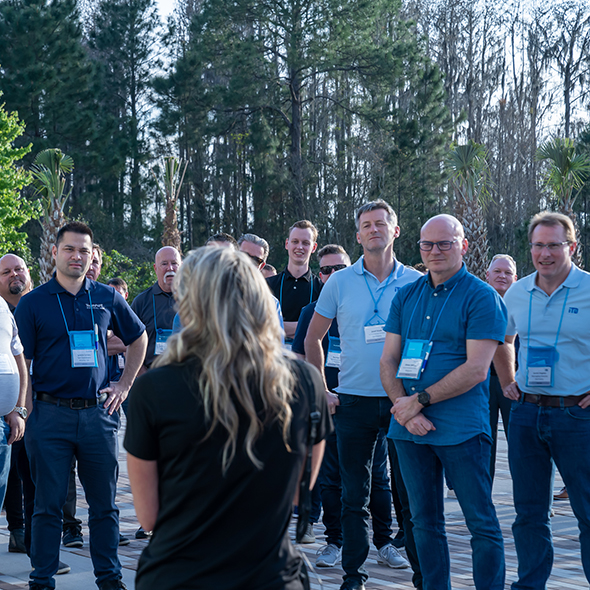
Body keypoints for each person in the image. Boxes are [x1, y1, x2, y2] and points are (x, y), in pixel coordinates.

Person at [124, 246, 331, 590]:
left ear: (189, 302)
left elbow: (149, 517)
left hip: (179, 576)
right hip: (270, 576)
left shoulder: (154, 388)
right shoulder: (306, 381)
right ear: (258, 298)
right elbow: (300, 493)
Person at [15, 221, 147, 590]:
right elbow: (20, 361)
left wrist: (124, 384)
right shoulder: (33, 302)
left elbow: (139, 338)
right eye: (70, 249)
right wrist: (27, 414)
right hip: (49, 416)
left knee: (104, 507)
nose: (77, 256)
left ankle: (110, 579)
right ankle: (42, 580)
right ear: (54, 253)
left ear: (92, 256)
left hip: (97, 415)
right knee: (47, 507)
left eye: (84, 251)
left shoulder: (106, 296)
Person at [380, 214, 507, 590]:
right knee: (423, 522)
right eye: (427, 245)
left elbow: (477, 369)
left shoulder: (482, 296)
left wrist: (418, 401)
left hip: (461, 430)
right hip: (407, 430)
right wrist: (403, 409)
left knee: (480, 522)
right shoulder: (406, 296)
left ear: (463, 245)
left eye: (445, 243)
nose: (435, 251)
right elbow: (387, 360)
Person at [305, 201, 419, 590]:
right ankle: (354, 576)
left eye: (381, 223)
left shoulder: (414, 282)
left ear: (396, 229)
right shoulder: (339, 282)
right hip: (352, 401)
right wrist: (322, 387)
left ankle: (421, 575)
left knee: (410, 493)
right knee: (355, 495)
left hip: (403, 402)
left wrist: (419, 394)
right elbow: (312, 338)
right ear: (358, 235)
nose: (374, 230)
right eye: (366, 225)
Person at [495, 211, 590, 589]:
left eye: (554, 245)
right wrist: (506, 380)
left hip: (577, 416)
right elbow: (502, 339)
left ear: (572, 247)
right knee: (529, 514)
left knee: (587, 513)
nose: (545, 253)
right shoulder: (517, 291)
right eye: (538, 245)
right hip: (526, 412)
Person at [293, 244, 401, 567]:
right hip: (329, 404)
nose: (332, 274)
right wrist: (321, 393)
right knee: (331, 478)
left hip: (369, 402)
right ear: (320, 275)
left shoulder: (368, 305)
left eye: (339, 267)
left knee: (379, 477)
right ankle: (334, 542)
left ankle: (383, 542)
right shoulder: (312, 312)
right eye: (325, 270)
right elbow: (300, 357)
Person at [0, 253, 33, 555]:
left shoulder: (40, 303)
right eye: (6, 272)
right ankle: (18, 530)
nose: (14, 276)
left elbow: (21, 360)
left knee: (28, 471)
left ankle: (30, 533)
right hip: (9, 413)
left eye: (18, 269)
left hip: (30, 408)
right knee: (11, 475)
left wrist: (20, 407)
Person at [486, 254, 517, 479]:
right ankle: (481, 500)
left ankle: (531, 500)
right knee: (483, 442)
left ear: (515, 278)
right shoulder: (477, 302)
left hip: (515, 384)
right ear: (487, 275)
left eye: (507, 272)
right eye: (497, 271)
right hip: (481, 381)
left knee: (521, 443)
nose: (502, 276)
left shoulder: (524, 305)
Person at [267, 220, 322, 344]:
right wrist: (305, 326)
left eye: (305, 243)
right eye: (295, 242)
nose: (300, 247)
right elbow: (260, 326)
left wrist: (278, 326)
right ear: (287, 244)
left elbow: (323, 328)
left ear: (314, 247)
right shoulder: (266, 285)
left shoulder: (322, 289)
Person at [131, 246, 181, 374]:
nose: (170, 268)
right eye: (164, 264)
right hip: (152, 377)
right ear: (155, 268)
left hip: (186, 378)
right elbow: (129, 343)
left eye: (174, 263)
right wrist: (143, 376)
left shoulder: (194, 299)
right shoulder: (141, 302)